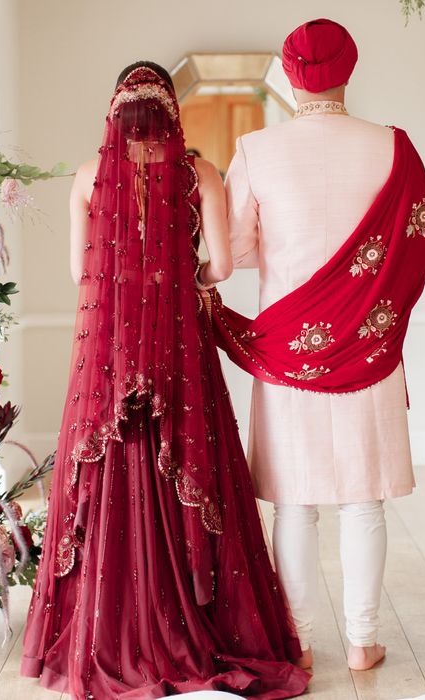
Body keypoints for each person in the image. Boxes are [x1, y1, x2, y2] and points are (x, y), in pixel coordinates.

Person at [20, 61, 310, 699]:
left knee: (110, 470)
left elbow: (80, 274)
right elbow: (224, 267)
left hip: (110, 349)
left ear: (115, 110)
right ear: (169, 110)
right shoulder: (198, 173)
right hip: (179, 344)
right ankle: (196, 622)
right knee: (187, 458)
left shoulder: (89, 175)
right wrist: (180, 281)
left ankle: (106, 629)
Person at [209, 19, 425, 672]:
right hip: (369, 349)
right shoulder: (394, 146)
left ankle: (299, 640)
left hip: (286, 349)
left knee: (296, 503)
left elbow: (239, 253)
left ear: (287, 72)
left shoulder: (257, 148)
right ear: (350, 68)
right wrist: (370, 311)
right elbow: (418, 236)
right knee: (363, 498)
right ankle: (363, 640)